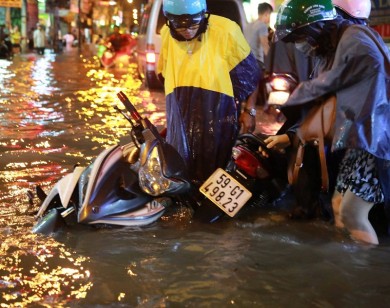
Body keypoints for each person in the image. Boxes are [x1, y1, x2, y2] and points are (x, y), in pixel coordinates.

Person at [265, 0, 390, 245]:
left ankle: (362, 274)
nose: (300, 46)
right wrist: (292, 134)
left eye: (300, 38)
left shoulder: (355, 38)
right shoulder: (329, 52)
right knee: (338, 206)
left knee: (352, 213)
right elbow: (322, 107)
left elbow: (368, 70)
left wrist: (316, 88)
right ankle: (348, 266)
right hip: (358, 143)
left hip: (376, 140)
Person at [157, 0, 260, 186]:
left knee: (217, 174)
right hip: (180, 124)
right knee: (183, 179)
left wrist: (249, 111)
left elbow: (252, 76)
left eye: (193, 24)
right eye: (181, 26)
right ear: (169, 21)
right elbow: (164, 76)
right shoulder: (166, 35)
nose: (188, 30)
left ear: (204, 15)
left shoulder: (226, 31)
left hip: (219, 120)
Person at [244, 2, 273, 107]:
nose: (269, 18)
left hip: (244, 61)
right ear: (266, 13)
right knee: (265, 82)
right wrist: (272, 63)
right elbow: (265, 46)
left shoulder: (249, 25)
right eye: (269, 15)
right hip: (256, 61)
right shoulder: (262, 26)